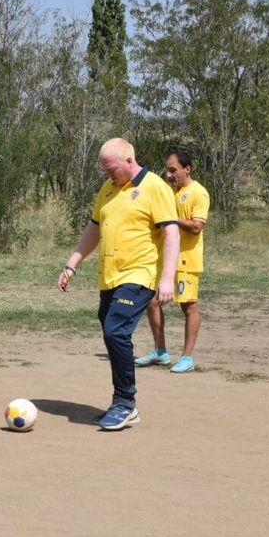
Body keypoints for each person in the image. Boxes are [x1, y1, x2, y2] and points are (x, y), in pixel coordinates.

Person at [57, 138, 178, 430]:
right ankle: (120, 401)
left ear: (128, 160)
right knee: (113, 335)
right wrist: (72, 263)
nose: (109, 175)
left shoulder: (154, 187)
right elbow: (94, 229)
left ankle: (126, 403)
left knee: (115, 330)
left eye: (112, 169)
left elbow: (172, 233)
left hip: (138, 275)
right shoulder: (108, 188)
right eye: (105, 170)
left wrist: (167, 278)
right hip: (109, 277)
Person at [137, 150, 210, 373]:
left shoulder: (198, 193)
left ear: (187, 169)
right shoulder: (170, 192)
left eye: (173, 170)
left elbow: (197, 227)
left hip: (186, 260)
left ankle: (187, 357)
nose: (168, 174)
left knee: (188, 306)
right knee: (152, 301)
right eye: (167, 170)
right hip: (166, 259)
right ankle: (160, 352)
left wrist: (170, 218)